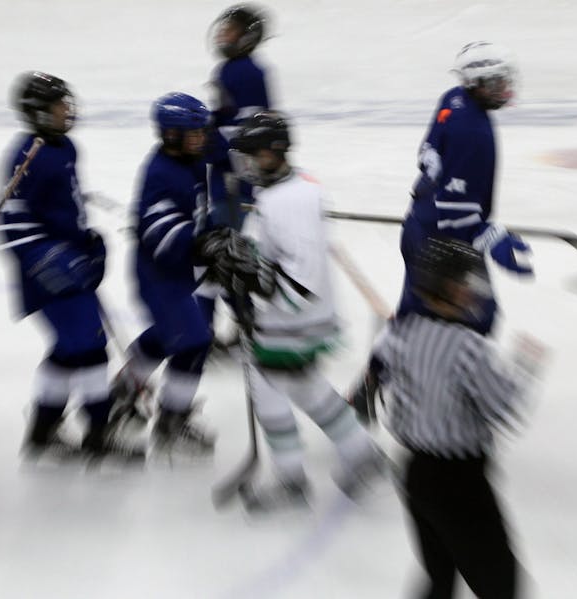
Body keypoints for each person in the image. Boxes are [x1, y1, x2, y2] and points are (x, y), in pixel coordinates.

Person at [216, 111, 385, 511]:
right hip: (304, 317)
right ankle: (363, 456)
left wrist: (252, 276)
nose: (246, 167)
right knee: (307, 387)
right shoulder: (295, 187)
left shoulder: (284, 201)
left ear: (274, 153)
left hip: (289, 320)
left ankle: (291, 481)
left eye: (252, 156)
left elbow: (299, 274)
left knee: (269, 391)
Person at [370, 236, 545, 599]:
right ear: (450, 288)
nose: (474, 291)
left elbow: (379, 373)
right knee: (500, 584)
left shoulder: (400, 333)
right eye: (468, 283)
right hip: (460, 481)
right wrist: (525, 368)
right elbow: (504, 407)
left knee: (440, 574)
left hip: (416, 474)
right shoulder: (468, 348)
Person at [0, 72, 132, 461]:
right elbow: (14, 223)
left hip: (71, 268)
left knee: (68, 348)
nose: (67, 111)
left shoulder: (66, 147)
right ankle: (99, 433)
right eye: (58, 106)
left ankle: (42, 429)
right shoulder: (27, 156)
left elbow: (63, 207)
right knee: (89, 348)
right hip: (47, 277)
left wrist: (85, 241)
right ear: (38, 113)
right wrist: (50, 259)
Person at [397, 41, 532, 336]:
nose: (506, 88)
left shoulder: (453, 97)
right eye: (499, 82)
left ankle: (381, 372)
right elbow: (453, 210)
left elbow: (428, 151)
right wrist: (489, 236)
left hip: (418, 225)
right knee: (477, 318)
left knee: (414, 313)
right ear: (477, 83)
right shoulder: (473, 132)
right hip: (441, 243)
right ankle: (463, 378)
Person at [110, 92, 217, 458]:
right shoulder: (161, 174)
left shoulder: (190, 162)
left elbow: (200, 212)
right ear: (171, 135)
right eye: (194, 133)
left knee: (175, 335)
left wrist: (216, 234)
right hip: (160, 275)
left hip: (184, 271)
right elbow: (160, 233)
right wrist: (203, 243)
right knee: (194, 341)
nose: (201, 138)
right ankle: (172, 420)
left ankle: (124, 386)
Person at [206, 3, 272, 230]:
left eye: (231, 29)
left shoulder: (248, 72)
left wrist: (208, 143)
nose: (223, 33)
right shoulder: (229, 68)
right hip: (225, 177)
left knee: (228, 248)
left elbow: (249, 129)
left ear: (247, 37)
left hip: (237, 181)